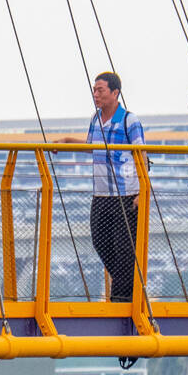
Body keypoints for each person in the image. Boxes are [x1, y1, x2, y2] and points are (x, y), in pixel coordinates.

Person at [55, 72, 145, 302]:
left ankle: (121, 299)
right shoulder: (96, 119)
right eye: (94, 90)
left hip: (126, 194)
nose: (96, 94)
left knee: (125, 248)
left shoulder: (129, 120)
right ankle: (129, 287)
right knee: (101, 241)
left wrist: (143, 191)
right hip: (102, 193)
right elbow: (91, 147)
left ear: (115, 93)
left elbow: (141, 153)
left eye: (101, 90)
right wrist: (66, 142)